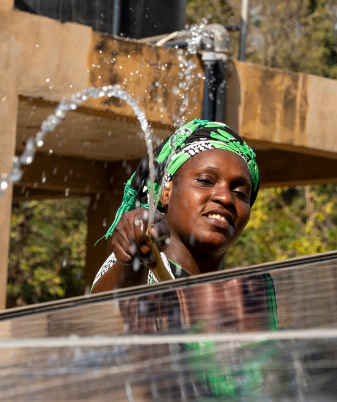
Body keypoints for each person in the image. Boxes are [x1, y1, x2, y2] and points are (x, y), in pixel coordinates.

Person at [90, 119, 260, 293]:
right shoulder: (143, 270)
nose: (226, 198)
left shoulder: (242, 296)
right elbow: (108, 311)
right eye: (205, 181)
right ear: (166, 192)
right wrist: (136, 255)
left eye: (240, 192)